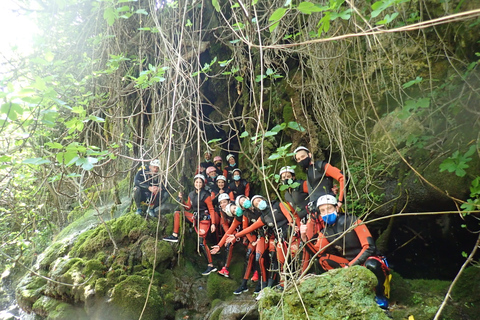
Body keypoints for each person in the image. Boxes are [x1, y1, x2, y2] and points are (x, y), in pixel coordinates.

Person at [299, 194, 391, 309]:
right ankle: (342, 289)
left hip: (366, 260)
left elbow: (369, 247)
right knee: (322, 260)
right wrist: (304, 239)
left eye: (329, 208)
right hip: (347, 263)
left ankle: (379, 294)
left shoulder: (352, 221)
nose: (326, 213)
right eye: (322, 211)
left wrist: (351, 266)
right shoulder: (325, 231)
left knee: (372, 265)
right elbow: (318, 252)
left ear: (336, 208)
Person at [163, 174, 217, 276]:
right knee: (178, 213)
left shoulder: (206, 195)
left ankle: (211, 265)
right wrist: (182, 199)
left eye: (200, 182)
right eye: (196, 182)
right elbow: (188, 207)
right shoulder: (191, 194)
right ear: (194, 183)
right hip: (194, 218)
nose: (198, 184)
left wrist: (213, 223)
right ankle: (175, 235)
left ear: (203, 183)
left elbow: (211, 209)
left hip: (204, 221)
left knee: (201, 242)